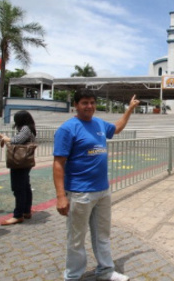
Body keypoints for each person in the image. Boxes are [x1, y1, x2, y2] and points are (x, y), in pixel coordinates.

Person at [53, 89, 139, 281]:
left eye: (92, 102)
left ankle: (106, 271)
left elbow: (116, 128)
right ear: (76, 105)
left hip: (102, 191)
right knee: (76, 238)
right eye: (85, 102)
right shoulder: (68, 129)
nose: (90, 106)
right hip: (79, 192)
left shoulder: (99, 123)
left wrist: (129, 109)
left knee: (102, 234)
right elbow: (58, 164)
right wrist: (61, 196)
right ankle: (73, 275)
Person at [0, 110, 37, 225]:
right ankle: (26, 211)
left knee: (18, 188)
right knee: (25, 186)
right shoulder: (29, 128)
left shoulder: (25, 128)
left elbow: (16, 141)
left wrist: (0, 136)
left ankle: (18, 215)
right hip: (25, 162)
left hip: (20, 162)